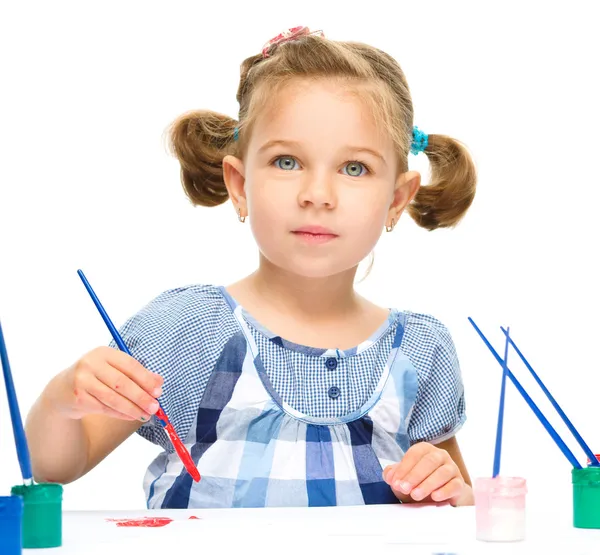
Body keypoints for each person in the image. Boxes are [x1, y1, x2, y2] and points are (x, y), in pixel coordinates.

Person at [26, 26, 477, 509]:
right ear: (240, 185)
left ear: (397, 199)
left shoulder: (420, 353)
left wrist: (446, 492)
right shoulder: (189, 330)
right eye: (286, 162)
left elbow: (454, 508)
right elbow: (56, 466)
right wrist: (61, 402)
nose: (317, 195)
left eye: (354, 168)